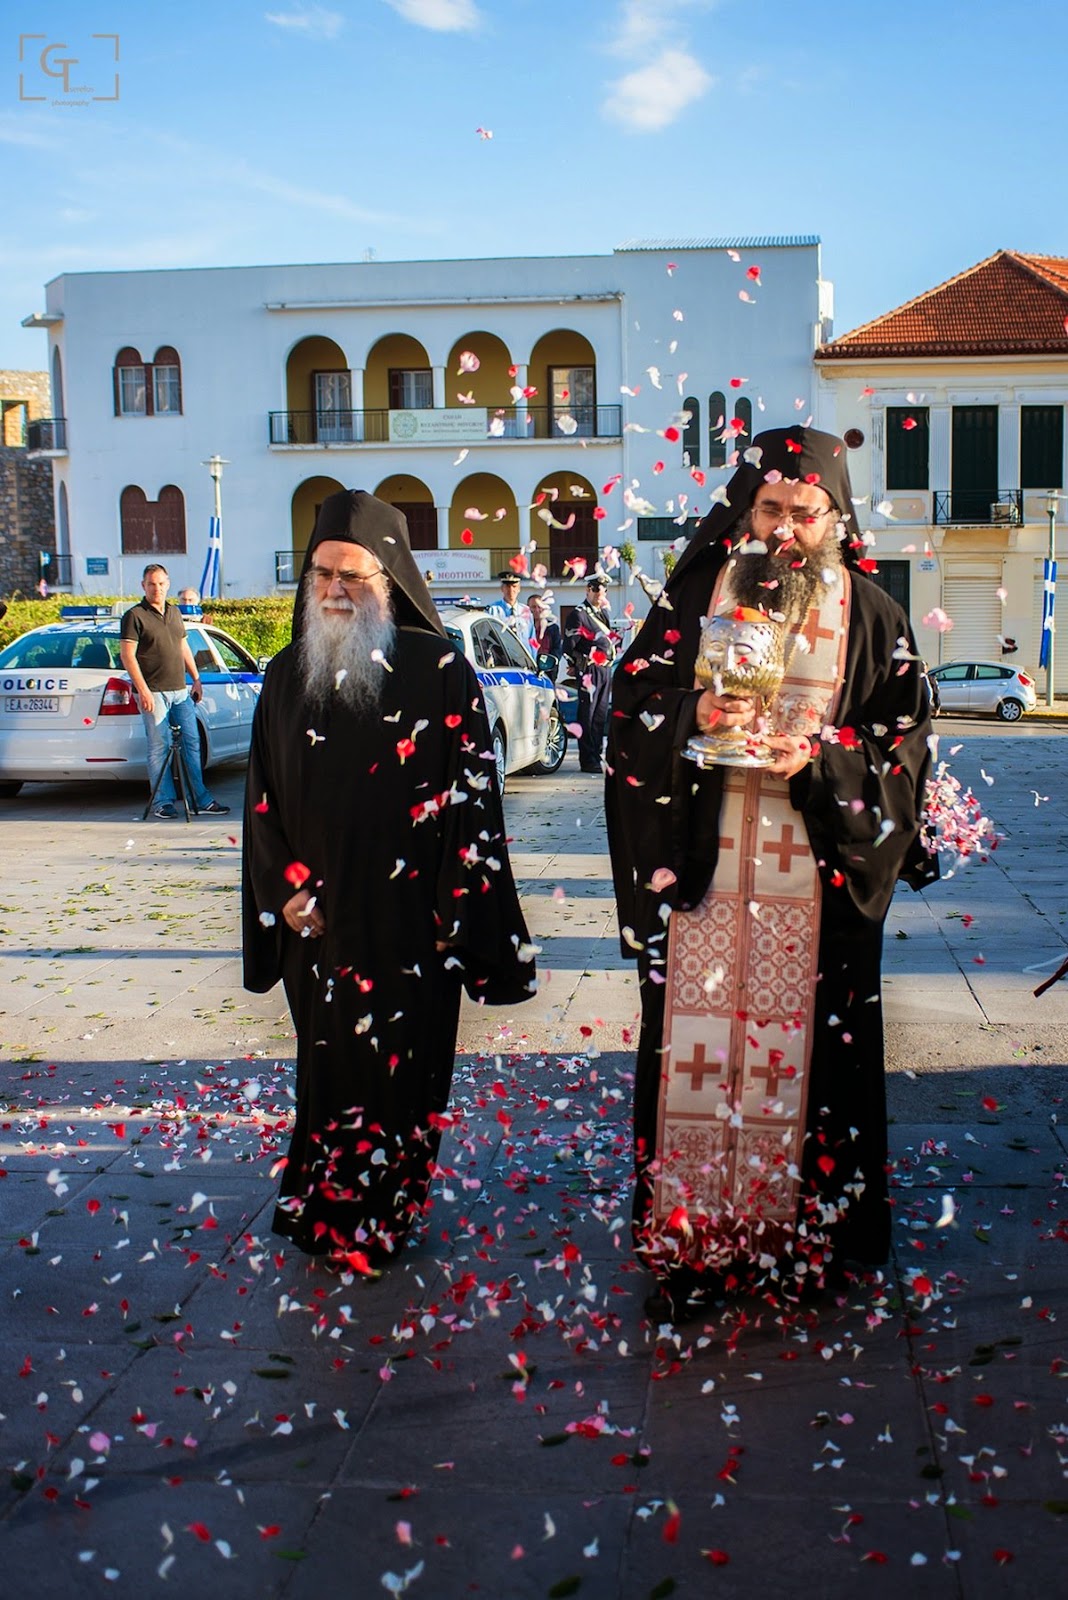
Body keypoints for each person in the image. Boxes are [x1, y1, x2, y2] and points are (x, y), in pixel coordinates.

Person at [605, 427, 936, 1318]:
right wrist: (689, 715)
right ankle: (692, 1246)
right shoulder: (690, 601)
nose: (786, 526)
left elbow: (904, 743)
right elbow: (628, 710)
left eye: (803, 510)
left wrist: (823, 759)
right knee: (695, 1069)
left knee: (813, 1068)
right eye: (770, 508)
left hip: (814, 890)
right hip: (705, 881)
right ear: (746, 512)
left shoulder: (872, 614)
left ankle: (806, 1244)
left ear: (834, 518)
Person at [242, 490, 536, 1271]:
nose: (335, 588)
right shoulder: (283, 675)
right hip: (320, 925)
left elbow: (475, 807)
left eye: (353, 575)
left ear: (389, 577)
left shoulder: (441, 672)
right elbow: (261, 802)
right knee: (328, 1070)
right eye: (322, 573)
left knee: (402, 1081)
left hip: (410, 927)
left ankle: (384, 1214)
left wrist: (456, 909)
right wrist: (282, 891)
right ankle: (325, 1213)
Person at [119, 563, 230, 819]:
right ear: (143, 586)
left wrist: (197, 678)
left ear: (167, 584)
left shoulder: (174, 612)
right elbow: (128, 656)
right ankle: (162, 802)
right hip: (154, 692)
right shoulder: (135, 616)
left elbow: (183, 647)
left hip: (180, 691)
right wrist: (143, 690)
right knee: (159, 746)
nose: (156, 588)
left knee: (193, 742)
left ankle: (200, 799)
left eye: (160, 583)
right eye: (151, 584)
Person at [565, 574, 616, 772]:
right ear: (587, 590)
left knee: (600, 715)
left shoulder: (603, 613)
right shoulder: (578, 614)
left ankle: (596, 755)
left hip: (604, 669)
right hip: (589, 669)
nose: (597, 593)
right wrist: (575, 663)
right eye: (594, 589)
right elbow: (569, 645)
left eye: (601, 590)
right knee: (588, 714)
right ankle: (588, 760)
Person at [488, 571, 535, 652]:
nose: (511, 590)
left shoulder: (526, 611)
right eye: (507, 586)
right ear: (502, 588)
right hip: (502, 658)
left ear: (519, 589)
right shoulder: (493, 610)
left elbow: (532, 639)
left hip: (524, 659)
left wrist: (534, 661)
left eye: (514, 586)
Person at [528, 593, 562, 678]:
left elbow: (557, 649)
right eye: (533, 607)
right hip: (529, 670)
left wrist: (550, 664)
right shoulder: (524, 628)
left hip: (548, 671)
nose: (537, 610)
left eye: (539, 607)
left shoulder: (553, 628)